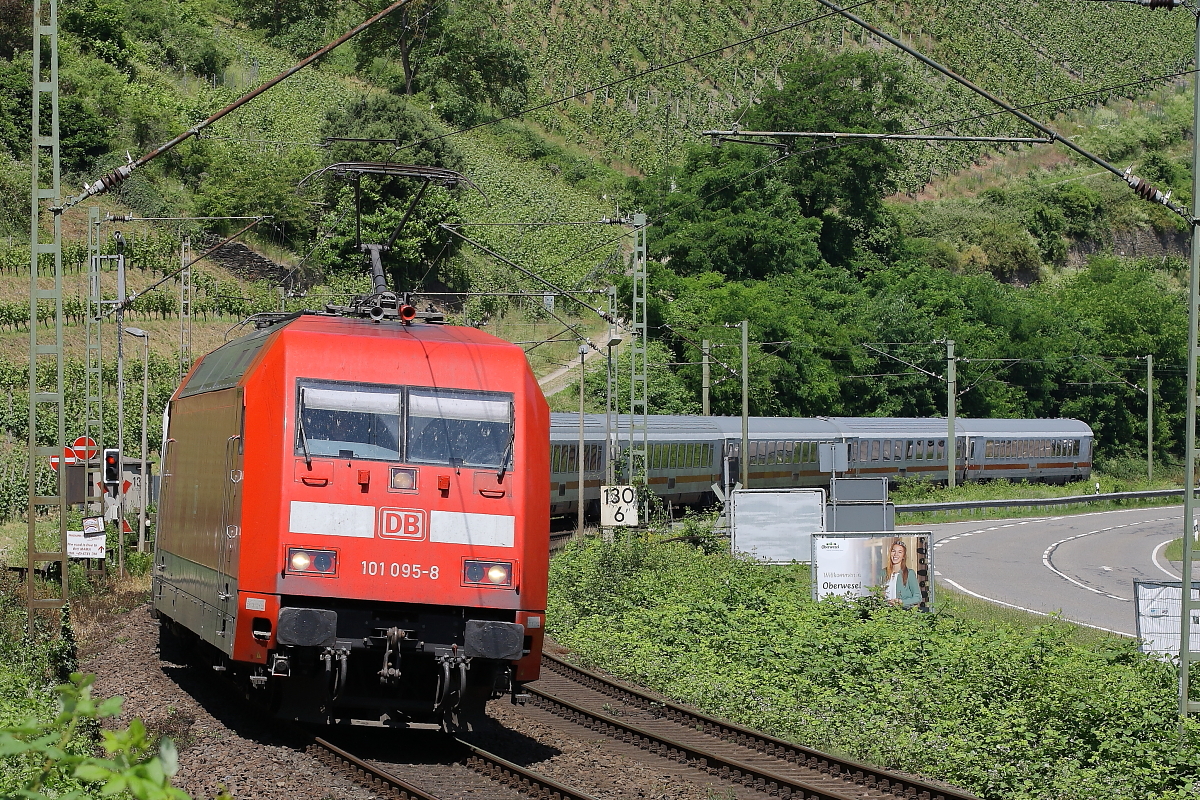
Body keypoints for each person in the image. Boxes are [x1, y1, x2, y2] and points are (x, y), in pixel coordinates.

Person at [880, 538, 921, 609]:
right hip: (885, 611)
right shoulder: (883, 572)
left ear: (903, 556)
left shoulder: (909, 573)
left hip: (902, 612)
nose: (896, 554)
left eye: (900, 552)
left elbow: (917, 597)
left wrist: (901, 602)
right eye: (893, 551)